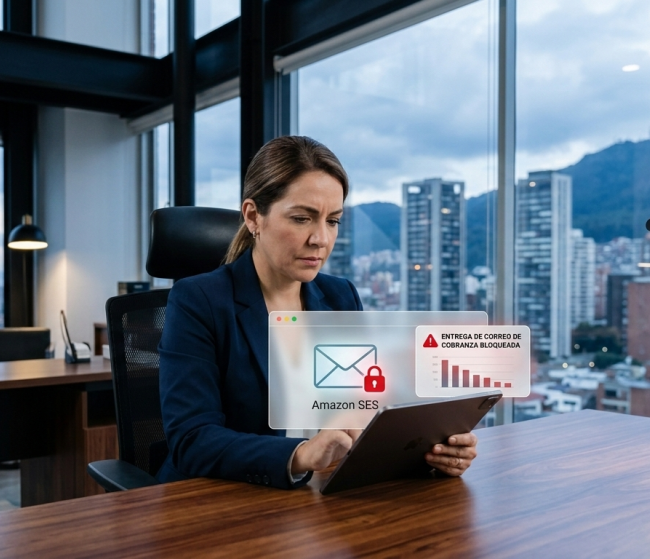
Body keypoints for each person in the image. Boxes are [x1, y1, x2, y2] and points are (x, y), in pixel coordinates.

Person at [156, 136, 478, 489]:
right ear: (253, 217)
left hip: (321, 493)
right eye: (301, 218)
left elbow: (362, 407)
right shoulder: (198, 300)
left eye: (333, 221)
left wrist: (429, 449)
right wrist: (300, 455)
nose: (320, 239)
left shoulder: (339, 295)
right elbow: (192, 440)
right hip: (221, 502)